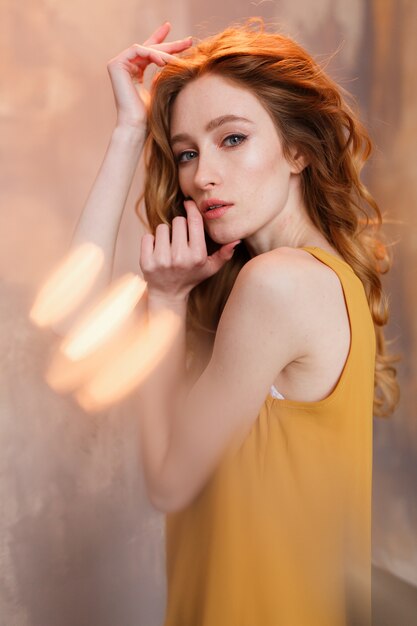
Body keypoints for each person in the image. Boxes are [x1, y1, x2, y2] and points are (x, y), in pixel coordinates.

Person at [68, 17, 400, 626]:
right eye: (188, 152)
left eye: (233, 139)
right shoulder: (312, 278)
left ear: (297, 149)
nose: (201, 176)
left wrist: (165, 303)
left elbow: (167, 485)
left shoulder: (277, 284)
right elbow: (75, 312)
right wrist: (128, 130)